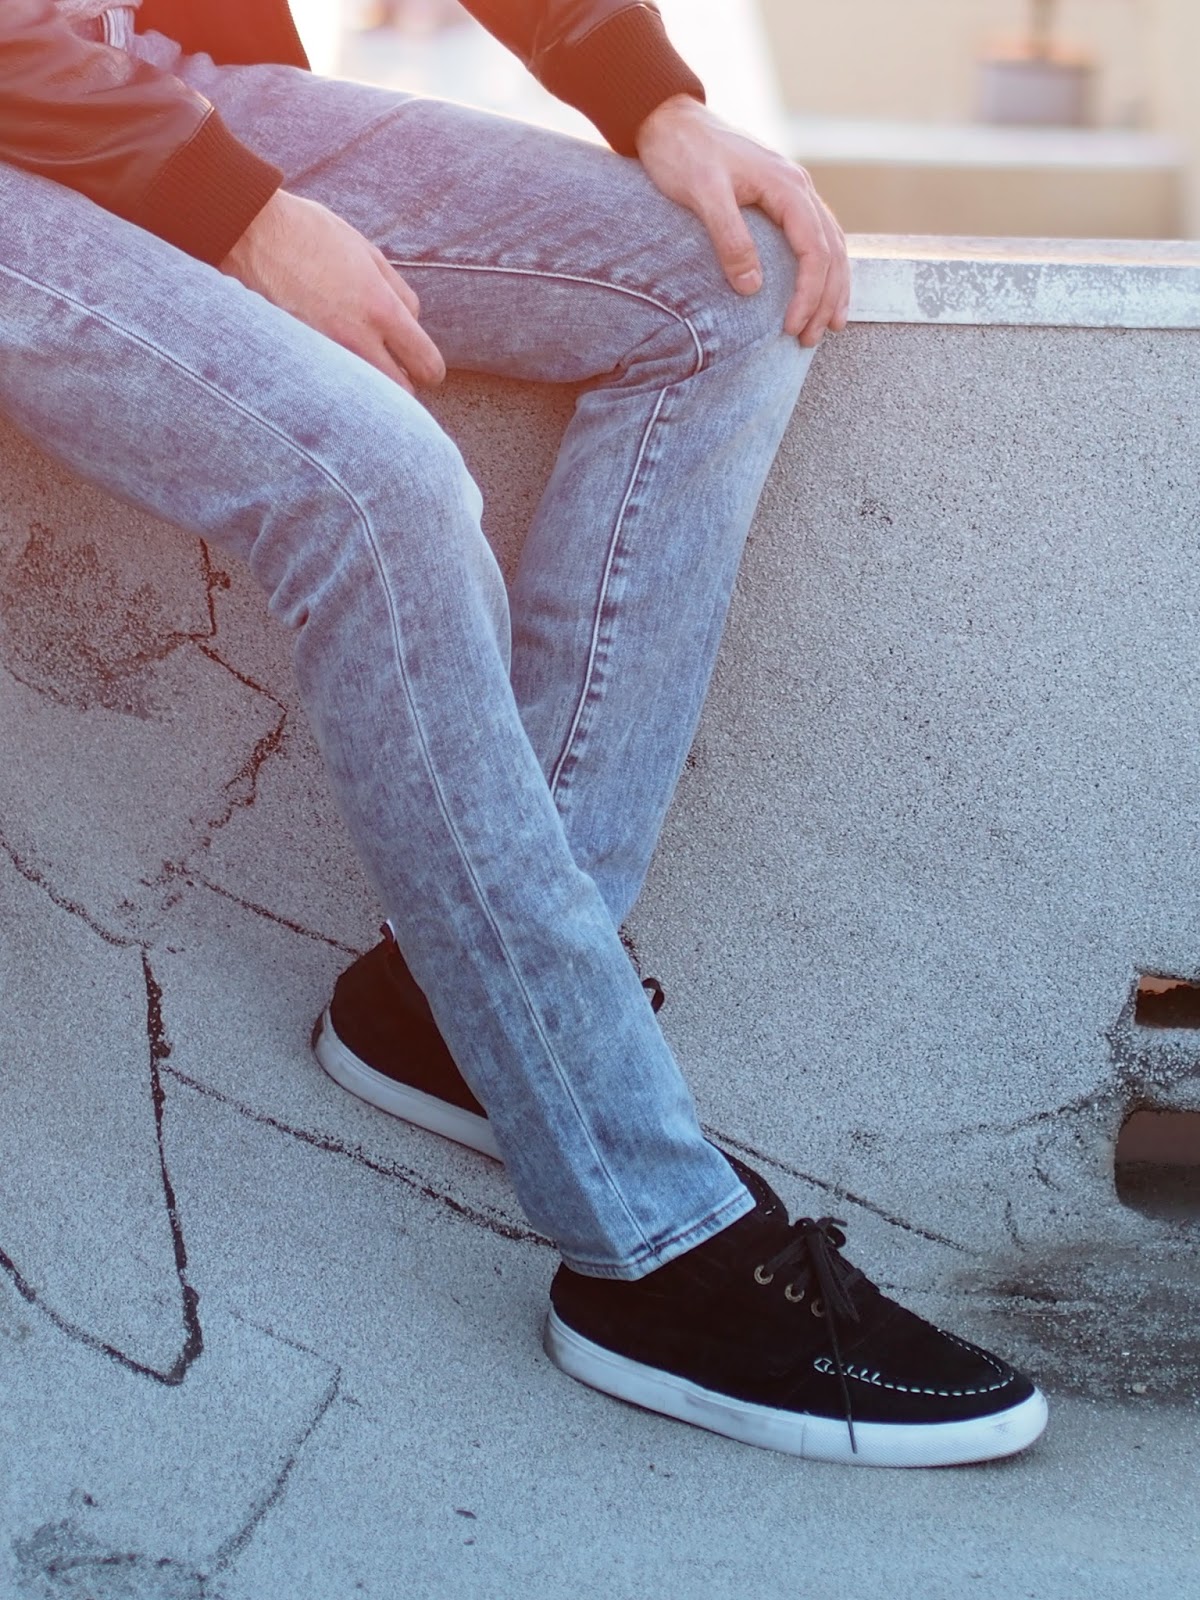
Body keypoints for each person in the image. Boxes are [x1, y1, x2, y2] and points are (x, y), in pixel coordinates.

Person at [0, 0, 1047, 1467]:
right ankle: (652, 1243)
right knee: (376, 489)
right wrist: (243, 216)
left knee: (725, 282)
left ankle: (459, 1009)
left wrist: (649, 94)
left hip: (144, 78)